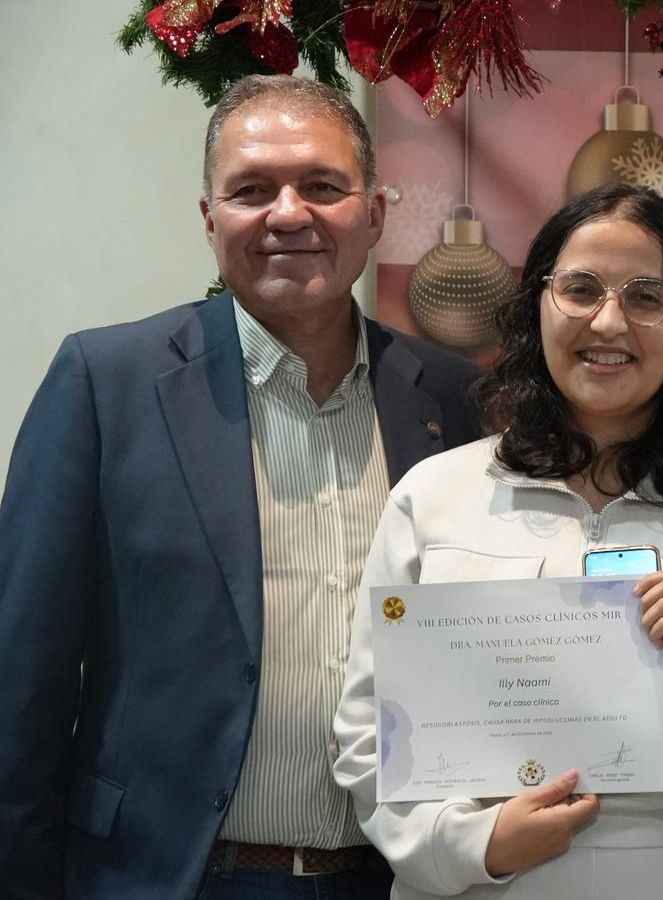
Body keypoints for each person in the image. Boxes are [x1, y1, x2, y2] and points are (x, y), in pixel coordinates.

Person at [0, 75, 480, 899]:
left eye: (323, 186)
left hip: (402, 878)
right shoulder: (107, 384)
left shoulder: (453, 397)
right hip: (174, 875)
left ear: (374, 213)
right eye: (252, 190)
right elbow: (21, 676)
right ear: (210, 217)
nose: (288, 213)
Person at [331, 182, 663, 899]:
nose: (609, 322)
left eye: (647, 297)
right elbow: (371, 739)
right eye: (580, 289)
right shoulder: (433, 498)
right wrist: (473, 845)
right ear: (536, 308)